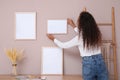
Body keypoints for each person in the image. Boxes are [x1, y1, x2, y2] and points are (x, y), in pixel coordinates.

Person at [47, 11, 108, 80]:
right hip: (100, 61)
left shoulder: (80, 38)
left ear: (82, 24)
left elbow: (64, 45)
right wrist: (73, 25)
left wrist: (53, 39)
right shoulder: (96, 34)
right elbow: (83, 35)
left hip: (88, 64)